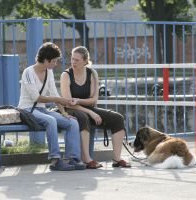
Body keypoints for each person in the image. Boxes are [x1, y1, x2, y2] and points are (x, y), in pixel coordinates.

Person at [18, 42, 86, 171]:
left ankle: (72, 158)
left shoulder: (48, 72)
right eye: (53, 61)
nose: (55, 64)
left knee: (72, 122)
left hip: (42, 109)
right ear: (45, 60)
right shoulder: (28, 72)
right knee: (51, 120)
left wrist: (64, 113)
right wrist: (57, 99)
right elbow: (36, 97)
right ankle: (55, 160)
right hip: (27, 109)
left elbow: (54, 94)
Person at [60, 46, 131, 169]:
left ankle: (116, 158)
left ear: (85, 61)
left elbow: (94, 100)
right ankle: (87, 159)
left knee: (117, 118)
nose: (73, 62)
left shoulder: (92, 73)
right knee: (83, 117)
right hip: (71, 109)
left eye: (77, 60)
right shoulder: (66, 75)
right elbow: (67, 102)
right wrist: (90, 112)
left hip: (87, 107)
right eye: (72, 59)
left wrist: (80, 101)